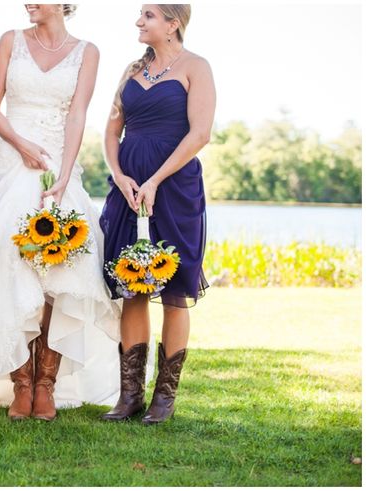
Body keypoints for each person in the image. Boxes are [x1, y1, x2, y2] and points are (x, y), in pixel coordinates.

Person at [0, 4, 120, 421]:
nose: (28, 3)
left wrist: (64, 174)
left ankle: (46, 383)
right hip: (14, 160)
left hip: (61, 166)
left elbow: (78, 114)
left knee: (61, 268)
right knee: (6, 263)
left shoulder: (88, 51)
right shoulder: (9, 41)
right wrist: (22, 144)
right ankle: (20, 383)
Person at [99, 4, 215, 424]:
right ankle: (129, 396)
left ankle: (163, 399)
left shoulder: (196, 68)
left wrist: (156, 180)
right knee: (133, 285)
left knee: (173, 289)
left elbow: (200, 133)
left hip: (175, 187)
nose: (138, 22)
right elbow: (112, 131)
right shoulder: (130, 71)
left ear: (173, 23)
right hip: (129, 188)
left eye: (147, 15)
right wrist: (121, 175)